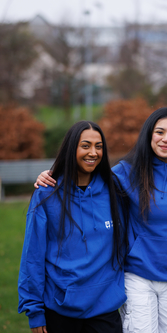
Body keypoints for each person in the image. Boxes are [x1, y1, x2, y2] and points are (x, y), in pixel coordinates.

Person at [34, 107, 167, 333]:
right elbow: (89, 172)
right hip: (138, 276)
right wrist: (52, 174)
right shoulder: (125, 172)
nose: (166, 139)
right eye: (159, 131)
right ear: (148, 134)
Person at [19, 121, 127, 333]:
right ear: (71, 148)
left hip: (104, 309)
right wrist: (34, 311)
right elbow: (32, 255)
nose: (93, 153)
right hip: (59, 309)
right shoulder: (46, 193)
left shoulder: (116, 189)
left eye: (99, 146)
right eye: (85, 145)